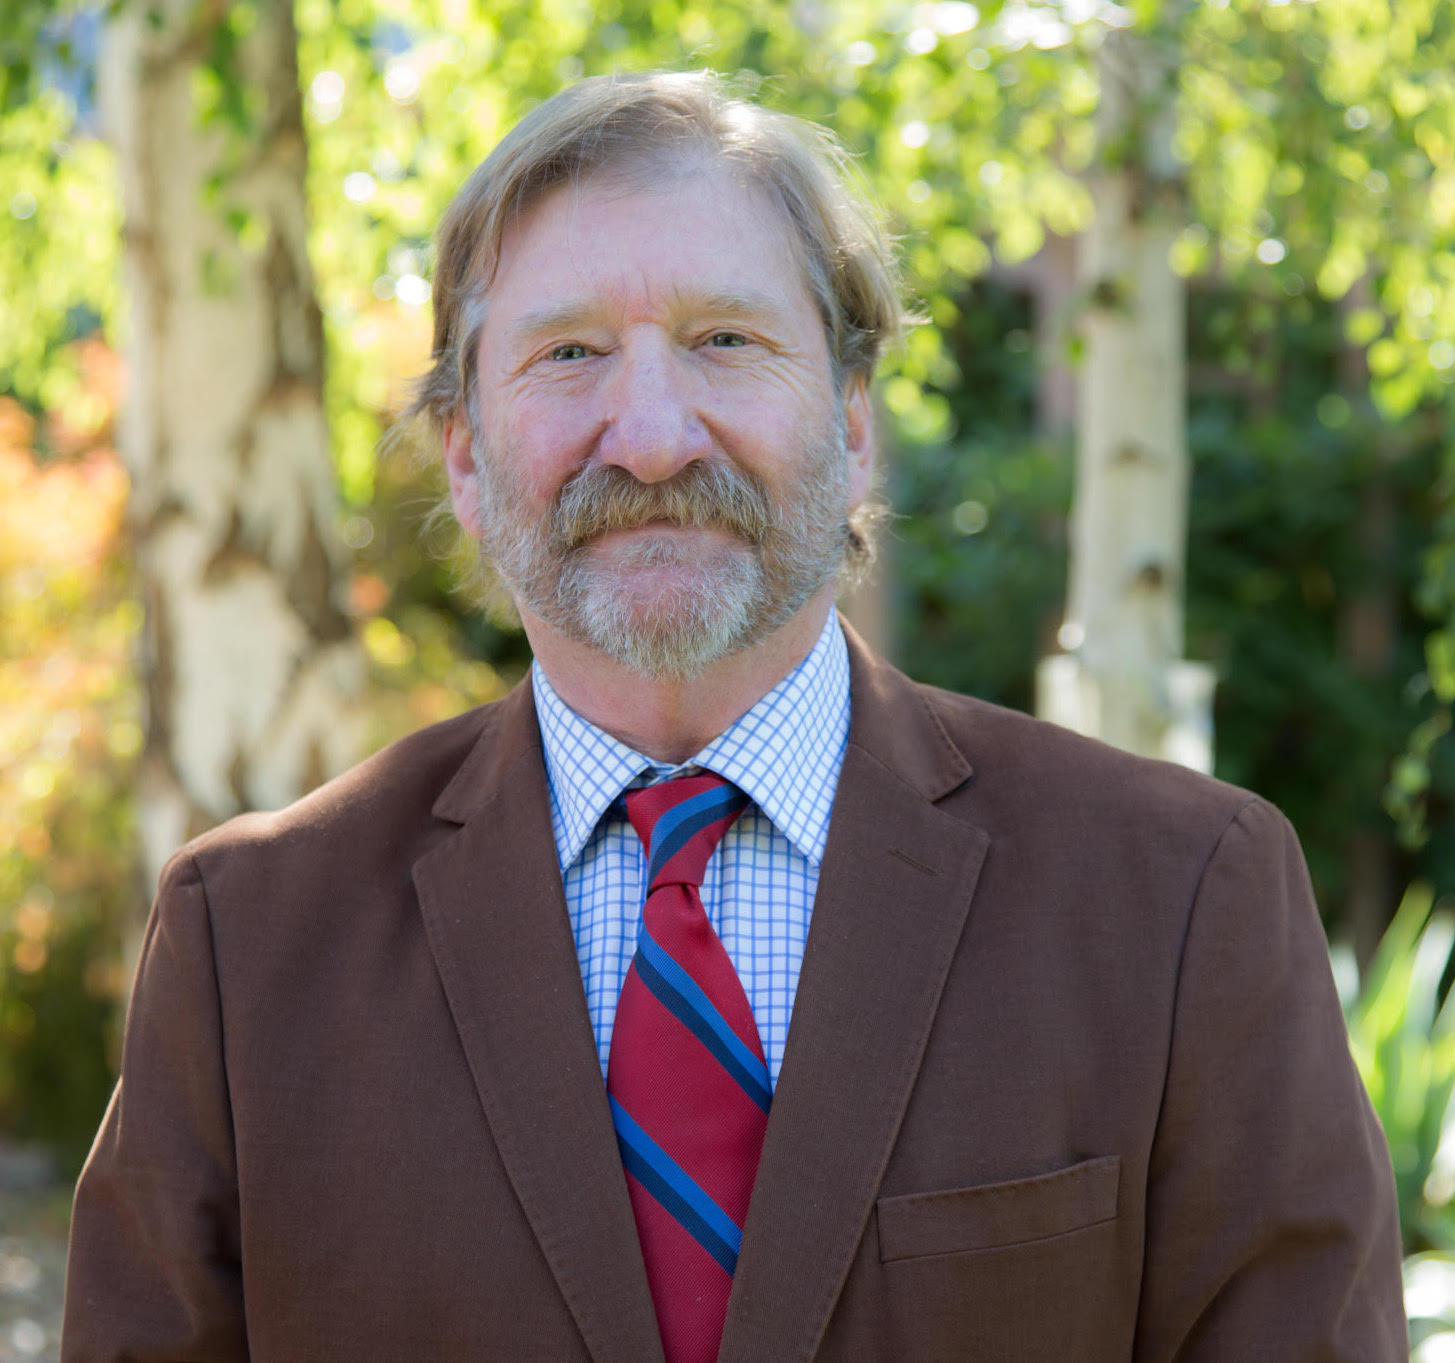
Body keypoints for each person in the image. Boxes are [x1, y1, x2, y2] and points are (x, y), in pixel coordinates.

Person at [63, 70, 1406, 1362]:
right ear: (465, 457)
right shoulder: (249, 946)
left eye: (726, 341)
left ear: (854, 423)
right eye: (569, 353)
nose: (653, 438)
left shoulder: (1181, 899)